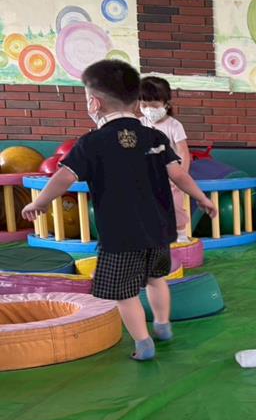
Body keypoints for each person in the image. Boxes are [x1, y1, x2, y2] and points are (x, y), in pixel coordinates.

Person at [21, 60, 216, 361]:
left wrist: (40, 202)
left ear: (94, 102)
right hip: (158, 229)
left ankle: (143, 343)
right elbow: (179, 174)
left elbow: (64, 177)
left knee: (125, 293)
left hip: (120, 235)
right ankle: (162, 324)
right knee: (156, 279)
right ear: (136, 102)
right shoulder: (154, 137)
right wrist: (202, 197)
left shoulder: (92, 142)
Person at [140, 75, 191, 243]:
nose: (148, 109)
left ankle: (181, 234)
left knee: (175, 205)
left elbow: (184, 153)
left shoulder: (174, 125)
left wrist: (181, 177)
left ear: (166, 104)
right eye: (144, 105)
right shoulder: (139, 124)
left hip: (170, 177)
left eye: (154, 105)